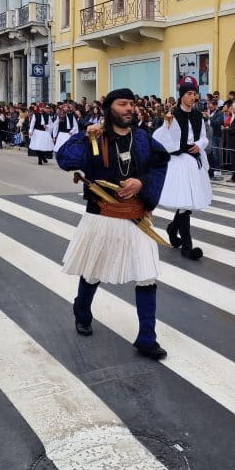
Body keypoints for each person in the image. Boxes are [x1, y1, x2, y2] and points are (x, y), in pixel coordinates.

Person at [55, 87, 171, 361]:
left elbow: (160, 162)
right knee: (93, 272)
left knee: (146, 275)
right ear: (109, 108)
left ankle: (147, 338)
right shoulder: (95, 137)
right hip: (102, 215)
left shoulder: (142, 138)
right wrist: (84, 135)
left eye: (132, 104)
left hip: (136, 216)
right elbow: (64, 159)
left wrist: (141, 182)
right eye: (123, 104)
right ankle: (81, 310)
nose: (130, 108)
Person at [153, 76, 211, 260]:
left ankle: (172, 228)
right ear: (181, 96)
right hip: (179, 162)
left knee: (187, 203)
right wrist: (168, 125)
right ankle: (187, 246)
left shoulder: (198, 115)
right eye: (189, 94)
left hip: (194, 162)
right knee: (185, 204)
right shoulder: (173, 115)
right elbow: (163, 140)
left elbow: (204, 136)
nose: (192, 97)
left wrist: (200, 145)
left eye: (194, 93)